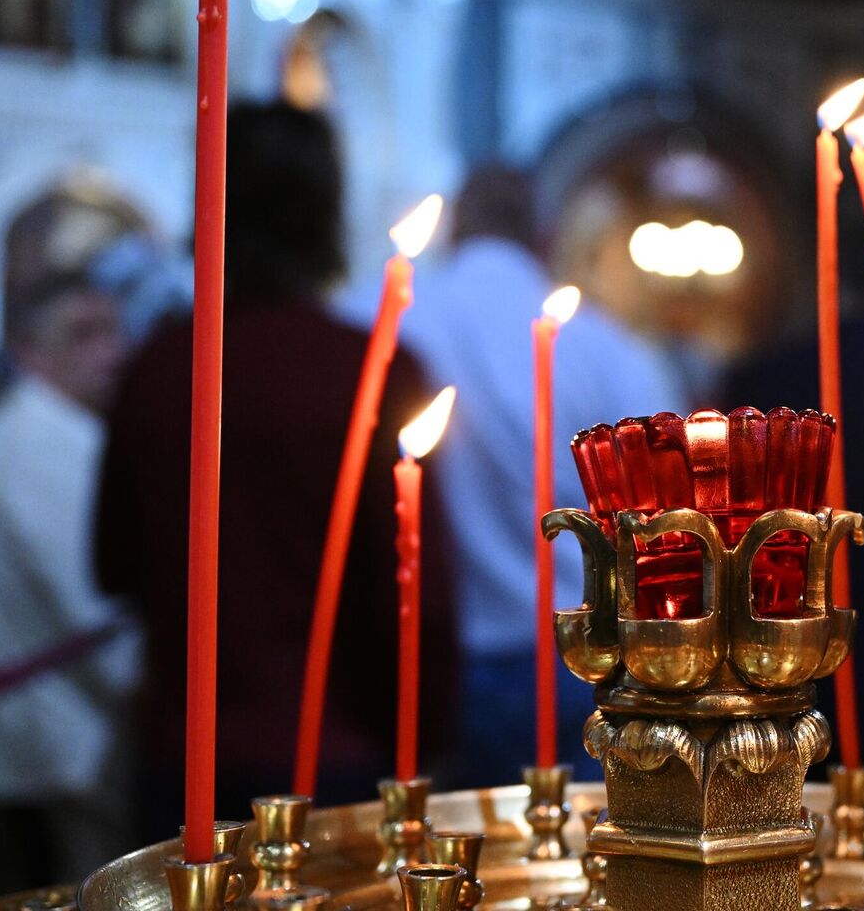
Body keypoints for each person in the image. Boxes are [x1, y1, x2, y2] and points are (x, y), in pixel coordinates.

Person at [96, 102, 455, 831]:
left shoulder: (162, 365)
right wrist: (432, 741)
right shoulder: (372, 369)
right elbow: (413, 596)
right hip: (333, 757)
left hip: (183, 757)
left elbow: (110, 563)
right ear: (326, 210)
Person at [340, 166, 682, 785]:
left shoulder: (373, 316)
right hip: (573, 648)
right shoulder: (605, 347)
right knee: (572, 856)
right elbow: (666, 507)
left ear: (455, 230)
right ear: (545, 237)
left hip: (421, 653)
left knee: (434, 857)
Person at [0, 269, 140, 894]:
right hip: (63, 743)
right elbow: (89, 608)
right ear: (28, 350)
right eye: (83, 334)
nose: (110, 352)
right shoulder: (39, 441)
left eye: (114, 330)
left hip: (67, 731)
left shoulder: (55, 430)